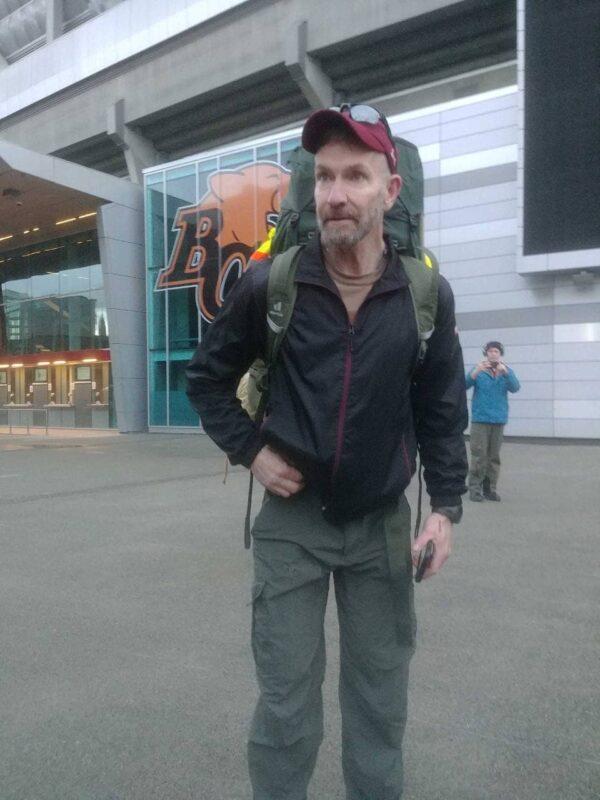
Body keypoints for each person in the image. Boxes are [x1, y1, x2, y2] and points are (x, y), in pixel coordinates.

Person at [186, 104, 468, 800]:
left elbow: (440, 410)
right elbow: (206, 378)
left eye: (357, 176)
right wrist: (251, 451)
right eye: (326, 177)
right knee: (286, 708)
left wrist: (447, 509)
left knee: (378, 707)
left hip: (381, 528)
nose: (337, 192)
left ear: (389, 191)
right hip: (293, 525)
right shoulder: (271, 286)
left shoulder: (424, 294)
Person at [465, 341, 520, 502]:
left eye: (496, 351)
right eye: (490, 351)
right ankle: (475, 489)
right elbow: (463, 385)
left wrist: (506, 373)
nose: (493, 354)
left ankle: (490, 489)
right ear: (486, 353)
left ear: (500, 354)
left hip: (498, 420)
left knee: (493, 457)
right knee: (479, 455)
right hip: (480, 420)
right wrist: (475, 373)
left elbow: (515, 387)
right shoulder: (479, 370)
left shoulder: (506, 371)